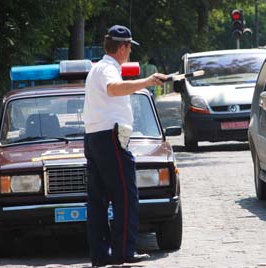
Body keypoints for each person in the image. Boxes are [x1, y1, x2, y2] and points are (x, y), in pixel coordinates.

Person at [83, 25, 166, 267]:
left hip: (95, 138)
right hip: (110, 138)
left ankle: (100, 254)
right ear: (122, 47)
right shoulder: (108, 69)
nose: (129, 51)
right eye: (129, 47)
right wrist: (148, 81)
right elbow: (113, 89)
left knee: (97, 201)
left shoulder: (97, 68)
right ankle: (123, 252)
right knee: (126, 197)